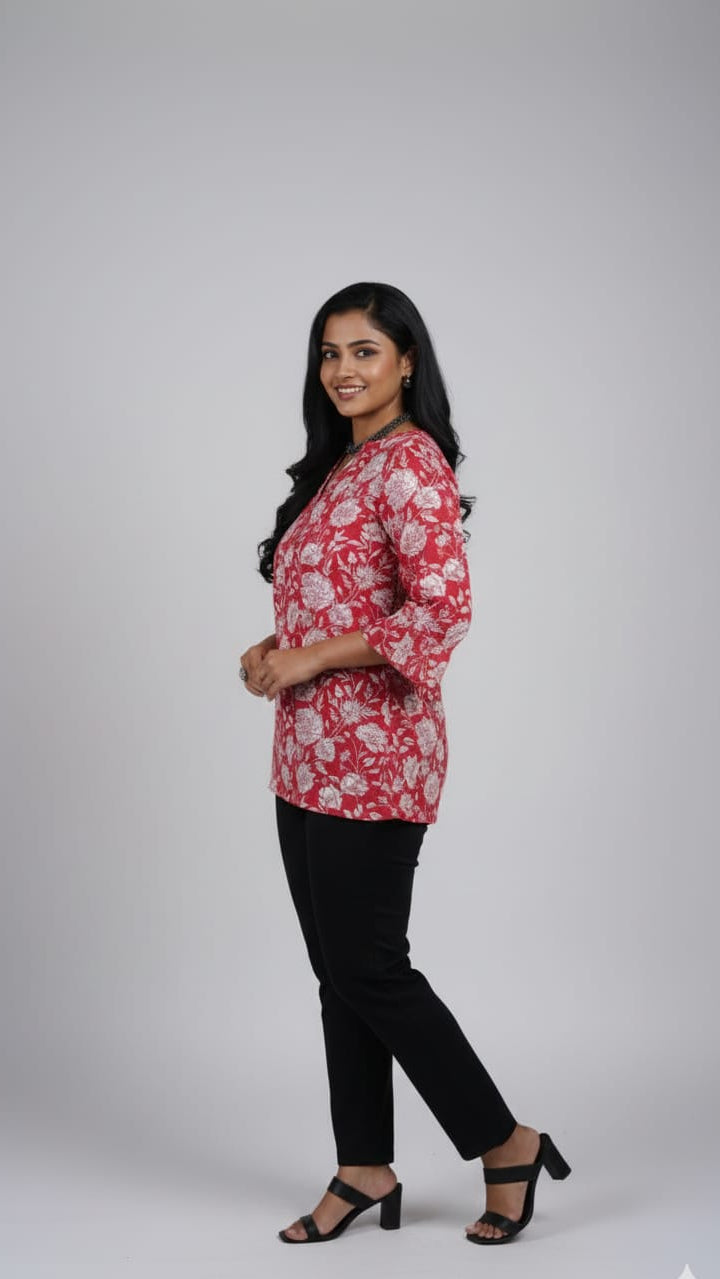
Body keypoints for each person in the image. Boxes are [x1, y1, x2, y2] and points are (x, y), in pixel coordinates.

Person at [239, 282, 571, 1246]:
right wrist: (273, 647)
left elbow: (440, 610)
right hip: (306, 755)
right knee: (338, 974)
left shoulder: (410, 463)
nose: (343, 369)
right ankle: (364, 1163)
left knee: (373, 968)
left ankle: (506, 1140)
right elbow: (342, 602)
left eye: (365, 352)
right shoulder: (341, 468)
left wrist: (310, 658)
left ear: (407, 361)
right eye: (330, 352)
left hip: (377, 758)